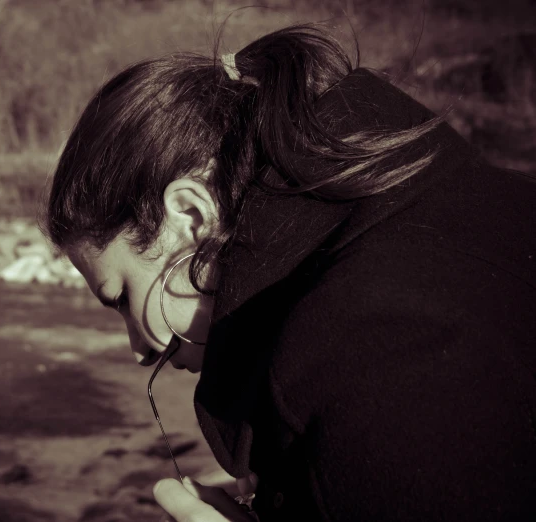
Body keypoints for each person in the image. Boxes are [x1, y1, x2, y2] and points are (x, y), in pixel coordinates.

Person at [42, 24, 536, 522]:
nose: (138, 349)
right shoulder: (463, 208)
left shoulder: (372, 347)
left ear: (191, 217)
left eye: (123, 296)